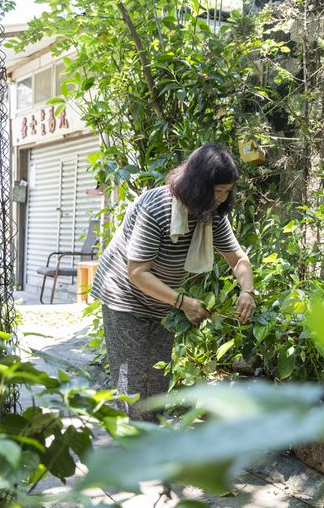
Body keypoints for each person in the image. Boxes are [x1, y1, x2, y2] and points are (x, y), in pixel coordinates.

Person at [91, 144, 256, 420]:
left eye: (227, 192)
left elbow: (238, 259)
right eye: (216, 191)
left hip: (161, 300)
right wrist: (183, 302)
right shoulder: (156, 207)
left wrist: (247, 291)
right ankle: (136, 449)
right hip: (123, 294)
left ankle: (149, 444)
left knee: (156, 376)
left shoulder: (211, 215)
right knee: (132, 380)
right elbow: (138, 272)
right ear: (198, 186)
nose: (221, 198)